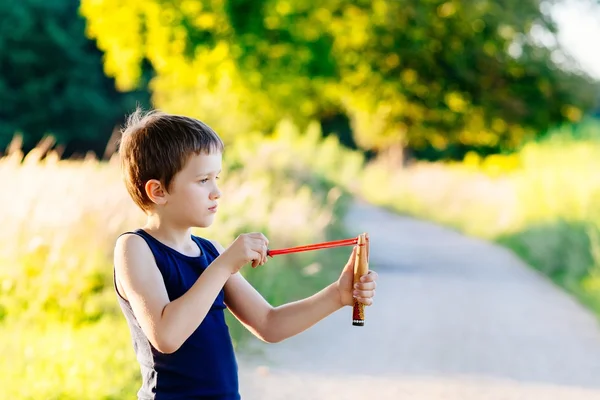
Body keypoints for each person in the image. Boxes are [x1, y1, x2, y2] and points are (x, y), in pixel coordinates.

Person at [113, 108, 379, 400]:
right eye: (203, 180)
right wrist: (225, 264)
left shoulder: (209, 252)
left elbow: (269, 323)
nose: (217, 192)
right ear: (158, 191)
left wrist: (338, 295)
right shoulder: (135, 248)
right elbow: (166, 336)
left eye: (217, 177)